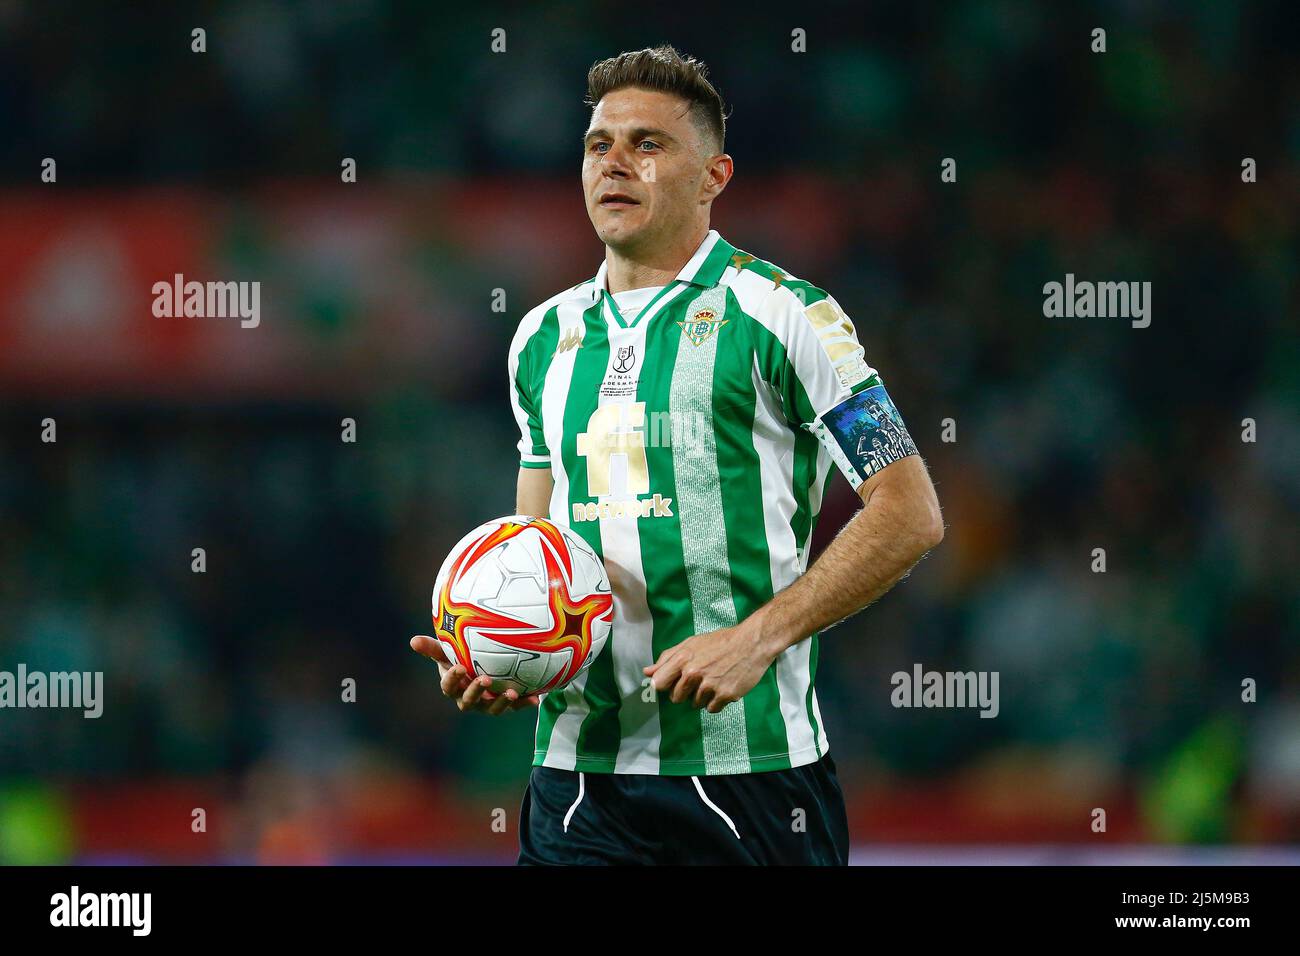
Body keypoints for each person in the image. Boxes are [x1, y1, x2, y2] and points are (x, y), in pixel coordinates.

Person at [411, 45, 943, 865]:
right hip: (578, 779)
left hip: (751, 776)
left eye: (648, 145)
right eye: (599, 144)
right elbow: (534, 549)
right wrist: (506, 657)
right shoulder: (541, 339)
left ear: (714, 177)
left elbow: (910, 513)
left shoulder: (786, 314)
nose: (614, 163)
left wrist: (757, 638)